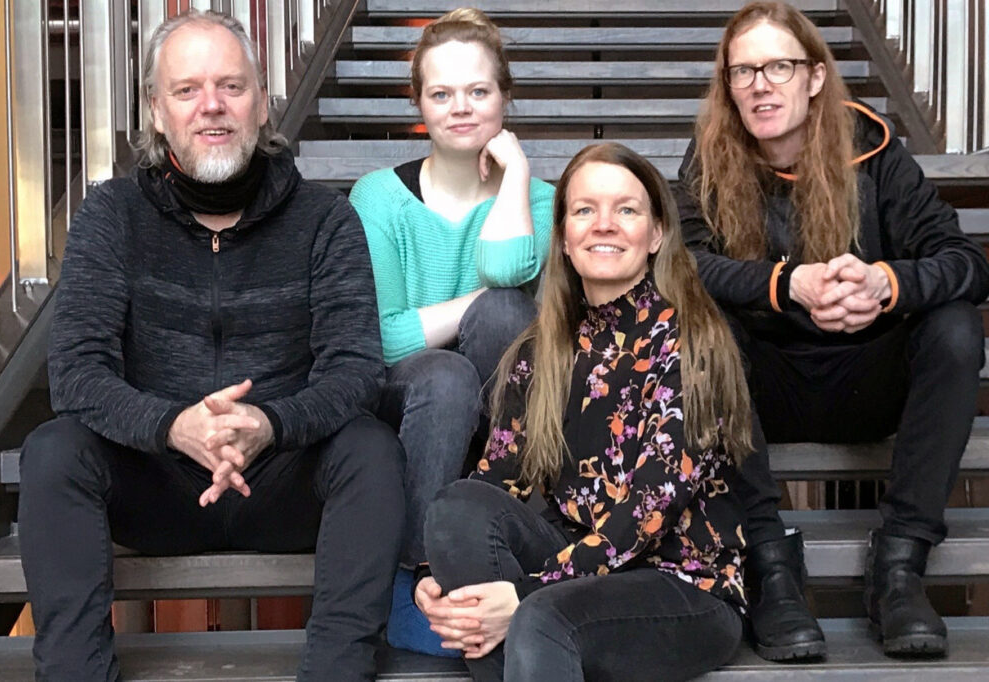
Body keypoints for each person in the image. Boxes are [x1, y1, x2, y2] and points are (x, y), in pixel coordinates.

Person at [17, 10, 404, 681]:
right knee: (53, 450)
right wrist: (174, 426)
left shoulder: (325, 219)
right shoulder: (110, 215)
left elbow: (355, 370)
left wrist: (270, 424)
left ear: (262, 103)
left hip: (282, 479)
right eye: (187, 89)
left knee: (371, 449)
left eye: (231, 85)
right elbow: (77, 373)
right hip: (158, 481)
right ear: (156, 111)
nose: (212, 106)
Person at [676, 0, 989, 661]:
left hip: (867, 383)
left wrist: (884, 284)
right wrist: (786, 284)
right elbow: (686, 265)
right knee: (699, 328)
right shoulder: (709, 156)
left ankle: (899, 565)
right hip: (762, 390)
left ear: (815, 76)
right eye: (742, 71)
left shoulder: (875, 152)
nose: (760, 85)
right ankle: (771, 566)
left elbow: (965, 262)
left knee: (957, 325)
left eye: (779, 67)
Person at [416, 143, 752, 681]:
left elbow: (648, 509)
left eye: (626, 209)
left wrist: (525, 593)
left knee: (540, 617)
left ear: (656, 234)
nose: (604, 224)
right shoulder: (540, 350)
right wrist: (436, 577)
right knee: (457, 509)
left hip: (684, 587)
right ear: (565, 239)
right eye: (584, 210)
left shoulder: (692, 341)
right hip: (575, 572)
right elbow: (497, 481)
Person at [348, 8, 554, 656]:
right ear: (419, 103)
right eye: (441, 94)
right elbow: (380, 340)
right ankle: (417, 574)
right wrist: (473, 306)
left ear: (505, 97)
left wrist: (516, 176)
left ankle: (487, 542)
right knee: (446, 372)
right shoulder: (379, 197)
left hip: (504, 407)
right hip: (412, 400)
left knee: (505, 313)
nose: (460, 108)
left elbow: (505, 274)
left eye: (478, 91)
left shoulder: (541, 200)